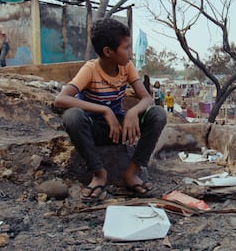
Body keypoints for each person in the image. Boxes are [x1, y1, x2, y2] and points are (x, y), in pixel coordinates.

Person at [54, 18, 167, 200]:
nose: (130, 53)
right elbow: (61, 99)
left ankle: (131, 173)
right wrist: (104, 111)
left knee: (158, 114)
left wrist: (132, 112)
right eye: (126, 48)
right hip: (95, 129)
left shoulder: (127, 67)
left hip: (120, 128)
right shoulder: (90, 69)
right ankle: (99, 174)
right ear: (108, 51)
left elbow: (147, 98)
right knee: (72, 117)